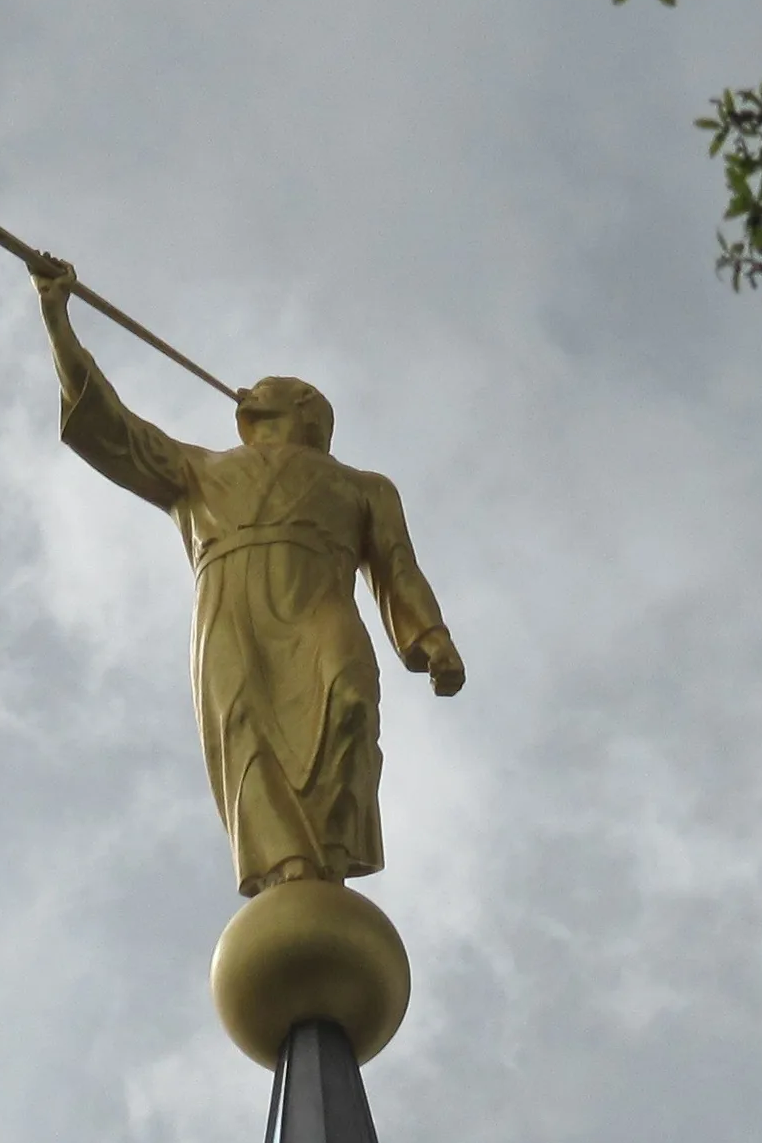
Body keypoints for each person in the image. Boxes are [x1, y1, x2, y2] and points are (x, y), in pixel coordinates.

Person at [37, 257, 463, 895]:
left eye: (274, 386)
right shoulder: (199, 471)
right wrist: (57, 317)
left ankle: (332, 852)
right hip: (231, 604)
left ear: (305, 411)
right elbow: (110, 425)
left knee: (349, 698)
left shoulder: (362, 486)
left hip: (319, 599)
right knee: (245, 725)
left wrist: (433, 638)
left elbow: (398, 565)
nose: (254, 391)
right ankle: (290, 869)